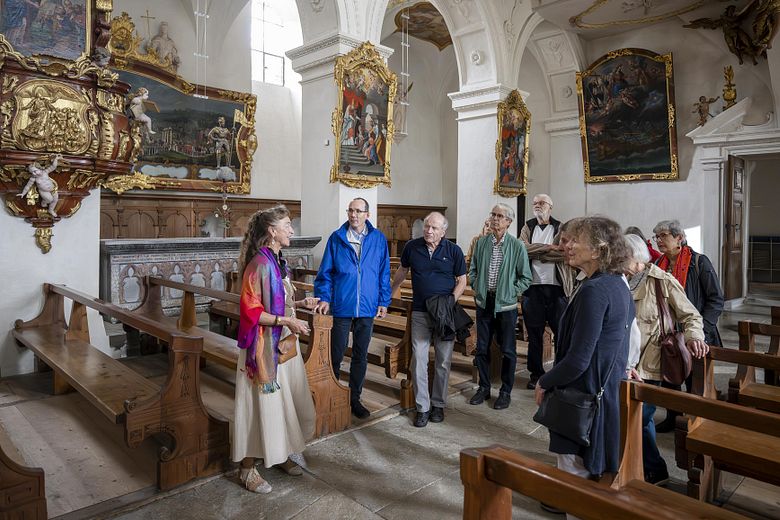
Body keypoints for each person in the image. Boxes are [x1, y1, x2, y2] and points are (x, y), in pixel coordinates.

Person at [534, 217, 634, 516]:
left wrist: (545, 380)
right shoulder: (616, 283)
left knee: (574, 481)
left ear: (598, 249)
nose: (568, 246)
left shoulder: (595, 290)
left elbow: (578, 360)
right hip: (603, 393)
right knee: (586, 479)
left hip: (583, 398)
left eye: (575, 239)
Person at [233, 205, 318, 493]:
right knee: (260, 408)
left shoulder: (278, 260)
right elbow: (251, 312)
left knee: (284, 404)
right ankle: (246, 469)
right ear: (272, 231)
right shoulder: (259, 264)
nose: (292, 230)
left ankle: (278, 453)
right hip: (261, 350)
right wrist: (287, 320)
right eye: (287, 225)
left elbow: (280, 299)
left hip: (281, 344)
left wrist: (301, 305)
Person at [623, 233, 707, 485]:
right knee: (631, 417)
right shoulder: (619, 280)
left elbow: (691, 315)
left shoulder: (662, 281)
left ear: (636, 258)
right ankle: (638, 466)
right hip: (624, 361)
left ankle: (655, 469)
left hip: (651, 361)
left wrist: (694, 337)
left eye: (621, 255)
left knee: (640, 417)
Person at [314, 198, 391, 419]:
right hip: (342, 305)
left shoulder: (378, 239)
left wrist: (383, 301)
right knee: (336, 353)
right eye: (350, 210)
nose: (353, 215)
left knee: (360, 355)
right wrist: (324, 298)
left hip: (367, 307)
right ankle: (332, 394)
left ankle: (354, 398)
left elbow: (383, 273)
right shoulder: (337, 238)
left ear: (367, 214)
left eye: (358, 211)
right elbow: (325, 273)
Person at [391, 212, 466, 427]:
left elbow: (462, 280)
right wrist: (390, 292)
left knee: (443, 360)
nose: (428, 231)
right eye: (426, 226)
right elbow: (402, 271)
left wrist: (450, 301)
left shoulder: (454, 251)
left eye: (434, 228)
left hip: (445, 314)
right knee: (419, 360)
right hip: (420, 312)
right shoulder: (412, 247)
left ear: (443, 231)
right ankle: (422, 407)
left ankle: (439, 405)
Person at [652, 219, 724, 432]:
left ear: (679, 238)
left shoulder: (699, 262)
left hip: (697, 332)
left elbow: (716, 299)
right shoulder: (658, 265)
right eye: (656, 237)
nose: (658, 241)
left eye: (664, 236)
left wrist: (701, 331)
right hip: (670, 333)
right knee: (670, 377)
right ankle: (674, 416)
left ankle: (696, 421)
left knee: (695, 380)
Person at [468, 203, 532, 410]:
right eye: (493, 214)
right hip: (484, 302)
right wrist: (477, 286)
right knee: (482, 348)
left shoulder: (517, 246)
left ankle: (505, 392)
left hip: (506, 307)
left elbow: (525, 277)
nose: (495, 218)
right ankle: (484, 388)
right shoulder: (482, 243)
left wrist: (510, 292)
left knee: (508, 350)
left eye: (500, 216)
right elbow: (473, 269)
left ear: (509, 222)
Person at [520, 194, 569, 389]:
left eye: (541, 203)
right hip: (533, 288)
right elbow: (521, 248)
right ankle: (536, 375)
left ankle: (559, 373)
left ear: (551, 206)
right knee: (534, 335)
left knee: (561, 334)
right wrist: (548, 248)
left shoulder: (561, 226)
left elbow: (564, 253)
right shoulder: (528, 226)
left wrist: (540, 253)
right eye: (535, 204)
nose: (537, 206)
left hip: (557, 288)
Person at [18, 153, 62, 217]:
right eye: (32, 172)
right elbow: (28, 186)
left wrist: (56, 159)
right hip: (44, 191)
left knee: (55, 200)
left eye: (35, 171)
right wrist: (23, 193)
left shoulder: (45, 172)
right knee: (49, 200)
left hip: (53, 188)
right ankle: (44, 202)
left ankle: (51, 210)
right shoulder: (33, 178)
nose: (34, 173)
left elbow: (53, 167)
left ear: (39, 169)